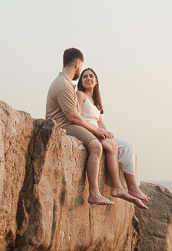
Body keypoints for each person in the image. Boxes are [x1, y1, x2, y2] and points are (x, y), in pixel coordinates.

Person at [45, 49, 146, 209]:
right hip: (64, 125)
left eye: (91, 76)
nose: (86, 76)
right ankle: (95, 192)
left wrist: (102, 130)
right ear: (78, 64)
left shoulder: (66, 83)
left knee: (116, 145)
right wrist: (96, 131)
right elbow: (73, 116)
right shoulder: (64, 85)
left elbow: (90, 119)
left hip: (69, 123)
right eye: (83, 71)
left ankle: (120, 187)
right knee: (96, 145)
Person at [77, 68, 151, 204]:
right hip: (88, 131)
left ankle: (132, 187)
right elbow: (78, 117)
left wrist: (106, 131)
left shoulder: (95, 100)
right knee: (112, 145)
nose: (88, 78)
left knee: (128, 147)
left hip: (99, 131)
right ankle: (117, 187)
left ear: (96, 81)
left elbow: (100, 121)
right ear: (81, 81)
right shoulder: (80, 95)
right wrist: (97, 131)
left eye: (91, 76)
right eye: (85, 76)